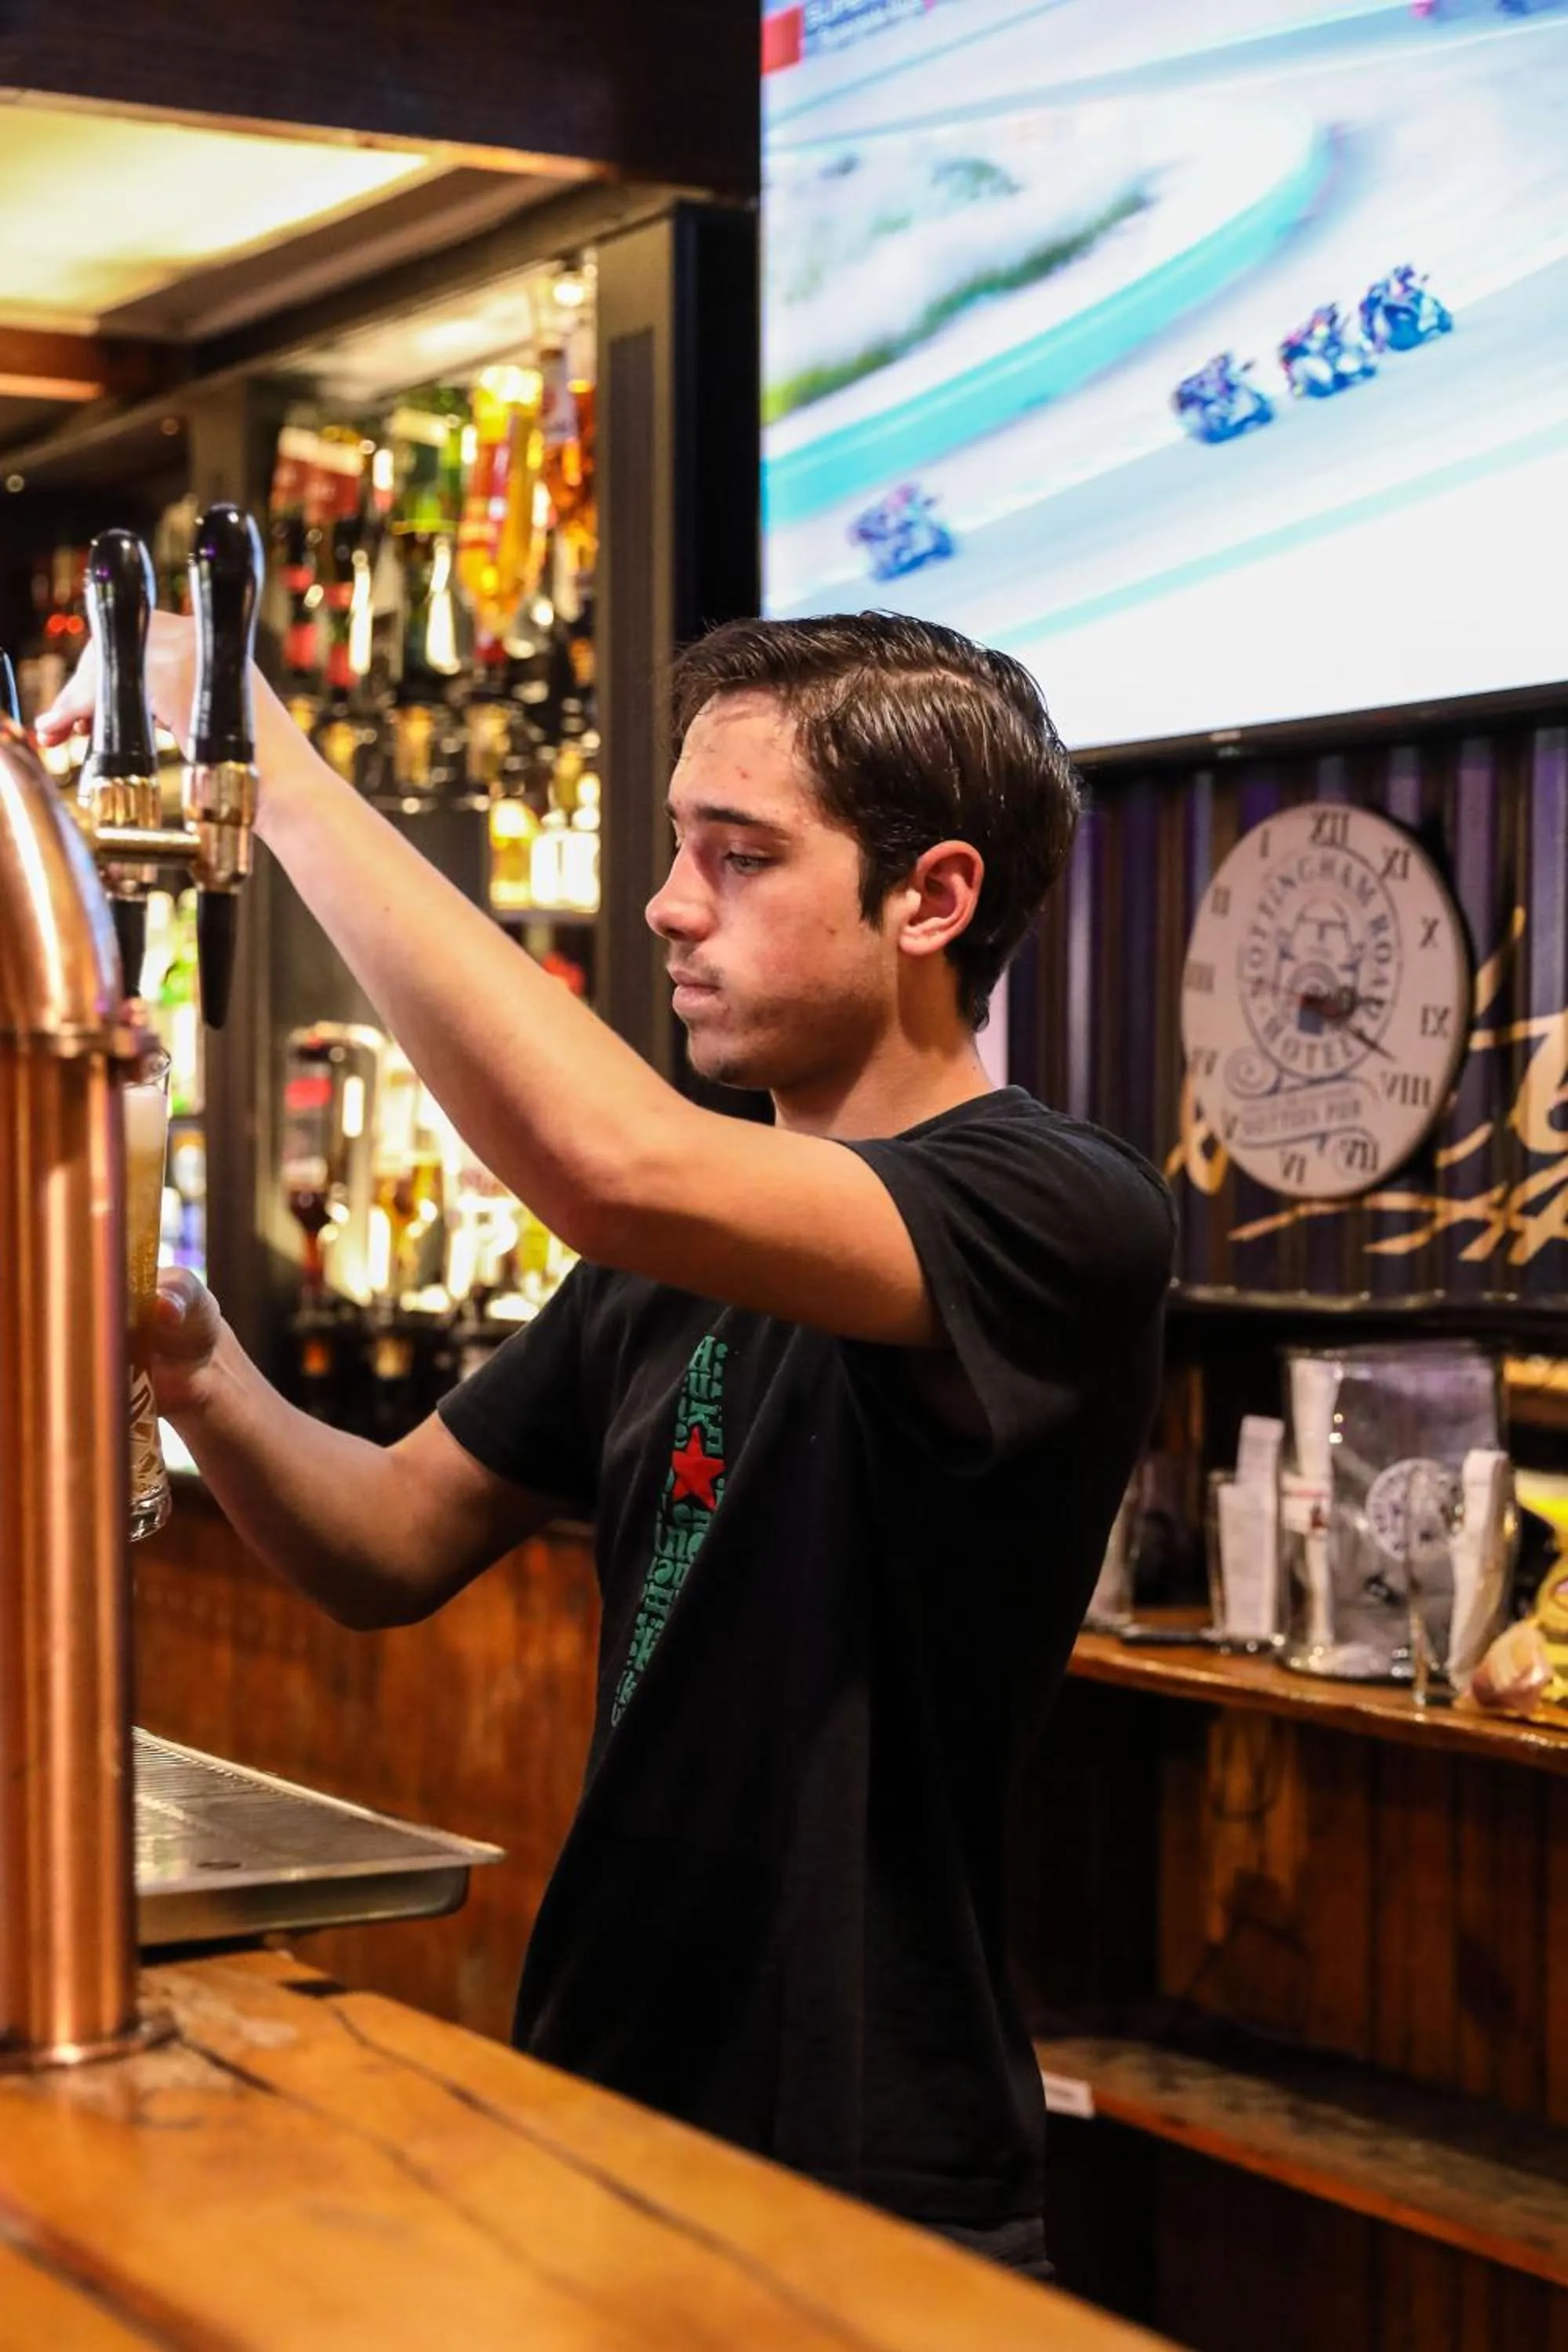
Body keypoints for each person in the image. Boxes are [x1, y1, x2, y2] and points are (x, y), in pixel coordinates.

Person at [39, 610, 1174, 2281]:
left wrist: (270, 767)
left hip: (856, 2151)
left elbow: (601, 1157)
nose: (666, 903)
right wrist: (188, 1354)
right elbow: (385, 1543)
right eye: (671, 848)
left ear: (930, 899)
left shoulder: (1060, 1210)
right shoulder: (668, 1267)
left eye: (740, 857)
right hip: (605, 2087)